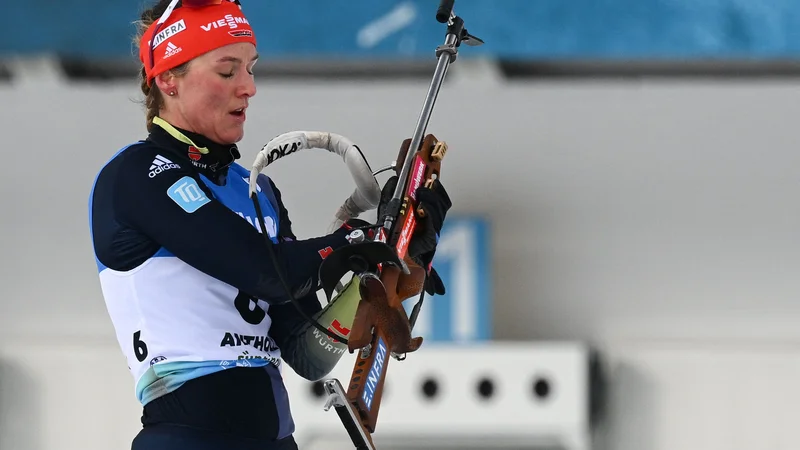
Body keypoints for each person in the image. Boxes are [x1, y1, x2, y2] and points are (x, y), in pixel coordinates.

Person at [87, 1, 452, 449]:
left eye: (251, 68)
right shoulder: (137, 175)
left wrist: (385, 263)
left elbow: (305, 352)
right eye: (227, 71)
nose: (248, 87)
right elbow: (265, 270)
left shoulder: (257, 191)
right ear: (168, 79)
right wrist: (357, 240)